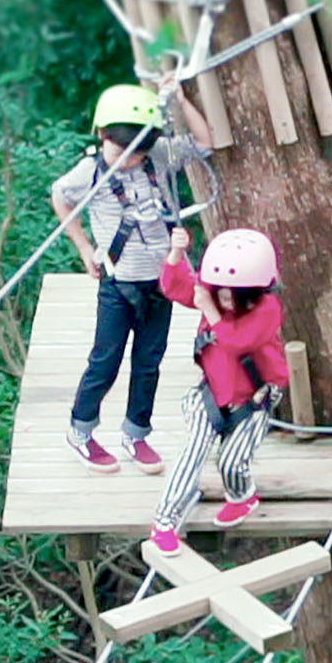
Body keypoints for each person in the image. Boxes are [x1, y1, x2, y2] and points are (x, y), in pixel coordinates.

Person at [52, 79, 214, 475]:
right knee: (105, 360)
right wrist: (83, 247)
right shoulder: (90, 171)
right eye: (122, 152)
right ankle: (81, 431)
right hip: (118, 283)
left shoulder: (156, 157)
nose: (130, 161)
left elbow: (205, 143)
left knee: (148, 362)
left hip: (162, 281)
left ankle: (136, 433)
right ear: (103, 135)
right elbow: (60, 195)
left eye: (137, 154)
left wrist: (179, 99)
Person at [150, 227, 289, 553]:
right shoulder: (211, 291)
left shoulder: (267, 309)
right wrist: (176, 254)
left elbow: (238, 342)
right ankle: (164, 521)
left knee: (231, 463)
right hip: (212, 393)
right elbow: (176, 287)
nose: (224, 298)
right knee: (193, 452)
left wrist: (210, 310)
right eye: (219, 292)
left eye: (233, 294)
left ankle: (242, 496)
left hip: (254, 397)